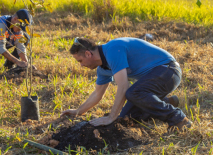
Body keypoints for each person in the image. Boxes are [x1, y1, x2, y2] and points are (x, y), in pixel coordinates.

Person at [61, 37, 191, 131]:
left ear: (88, 54)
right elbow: (97, 94)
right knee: (126, 118)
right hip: (153, 80)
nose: (81, 65)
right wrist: (78, 111)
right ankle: (164, 102)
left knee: (133, 93)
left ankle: (178, 118)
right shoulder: (103, 69)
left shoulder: (112, 50)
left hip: (168, 71)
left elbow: (123, 86)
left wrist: (111, 116)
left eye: (80, 61)